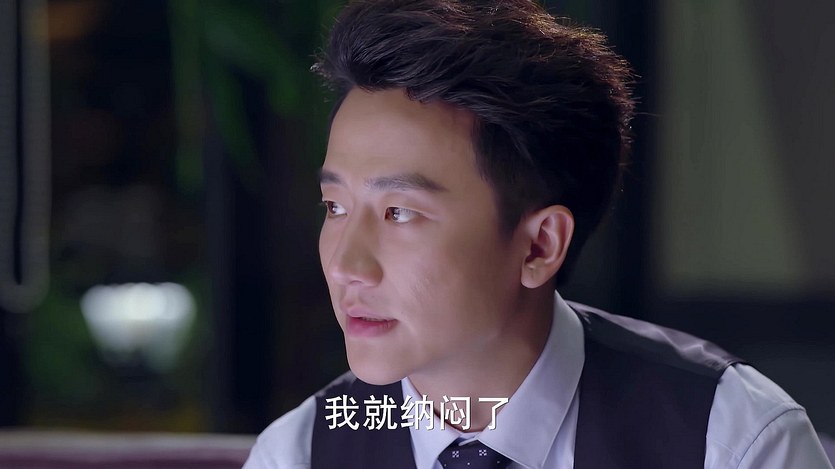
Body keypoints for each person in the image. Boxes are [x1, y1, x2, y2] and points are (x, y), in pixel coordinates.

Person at [244, 1, 833, 468]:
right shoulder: (300, 453)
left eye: (399, 212)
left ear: (539, 245)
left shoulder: (730, 443)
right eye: (335, 206)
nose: (346, 265)